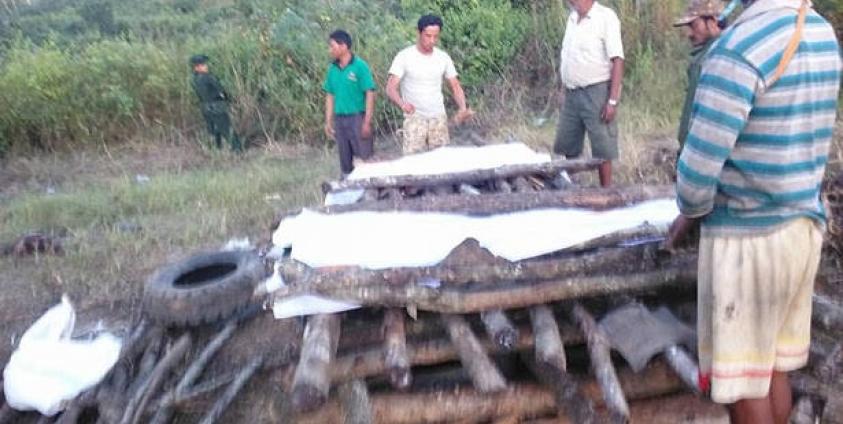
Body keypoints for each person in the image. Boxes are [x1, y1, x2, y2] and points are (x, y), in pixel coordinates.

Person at [664, 0, 841, 422]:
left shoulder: (738, 49)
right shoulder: (819, 32)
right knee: (770, 368)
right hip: (801, 228)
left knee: (744, 388)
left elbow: (696, 173)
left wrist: (691, 209)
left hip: (749, 242)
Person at [553, 0, 624, 187]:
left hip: (597, 91)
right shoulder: (572, 18)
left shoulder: (606, 17)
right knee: (568, 143)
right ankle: (573, 189)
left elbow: (617, 60)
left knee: (603, 147)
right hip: (572, 93)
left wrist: (612, 101)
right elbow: (568, 56)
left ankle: (606, 193)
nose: (570, 1)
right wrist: (563, 89)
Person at [386, 14, 473, 154]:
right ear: (419, 33)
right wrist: (402, 104)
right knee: (413, 163)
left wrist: (463, 108)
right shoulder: (404, 57)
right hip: (414, 118)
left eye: (435, 36)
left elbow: (455, 86)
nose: (432, 40)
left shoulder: (443, 57)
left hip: (438, 118)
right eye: (428, 36)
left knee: (441, 162)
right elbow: (390, 88)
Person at [322, 29, 377, 176]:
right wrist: (328, 121)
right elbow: (330, 95)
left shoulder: (360, 66)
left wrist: (367, 122)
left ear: (343, 46)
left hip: (357, 117)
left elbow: (370, 93)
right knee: (345, 159)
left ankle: (370, 190)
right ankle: (348, 190)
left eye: (332, 46)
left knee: (364, 158)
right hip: (340, 119)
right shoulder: (332, 69)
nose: (330, 50)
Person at [674, 0, 727, 150]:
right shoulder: (727, 50)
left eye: (694, 25)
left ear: (712, 22)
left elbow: (692, 116)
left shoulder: (706, 61)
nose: (689, 33)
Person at [189, 54, 241, 152]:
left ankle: (217, 151)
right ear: (197, 67)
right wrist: (230, 99)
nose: (206, 66)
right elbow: (221, 91)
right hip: (217, 107)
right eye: (203, 65)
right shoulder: (208, 77)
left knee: (213, 132)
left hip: (205, 108)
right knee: (227, 129)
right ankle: (238, 150)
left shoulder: (194, 79)